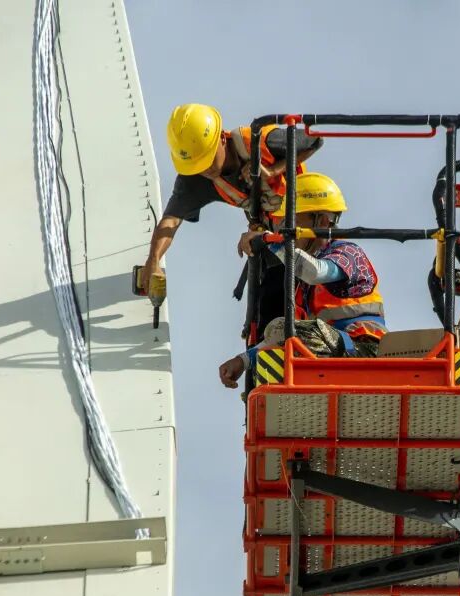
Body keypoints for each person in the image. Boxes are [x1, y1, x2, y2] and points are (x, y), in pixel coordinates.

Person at [218, 173, 387, 388]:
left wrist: (271, 242)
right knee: (280, 329)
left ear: (322, 221)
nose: (286, 231)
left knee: (284, 327)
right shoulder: (303, 285)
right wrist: (243, 361)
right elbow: (283, 334)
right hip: (336, 354)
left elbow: (316, 272)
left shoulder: (348, 253)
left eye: (294, 222)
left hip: (366, 352)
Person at [138, 103, 323, 290]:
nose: (205, 170)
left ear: (222, 138)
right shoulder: (195, 180)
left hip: (312, 228)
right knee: (270, 297)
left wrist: (274, 170)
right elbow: (170, 221)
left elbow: (315, 140)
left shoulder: (259, 142)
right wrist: (153, 260)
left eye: (207, 159)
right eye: (197, 165)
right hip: (277, 244)